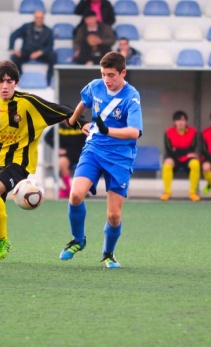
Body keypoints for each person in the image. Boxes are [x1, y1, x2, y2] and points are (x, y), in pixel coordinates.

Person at [0, 60, 75, 264]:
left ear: (16, 83)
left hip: (20, 162)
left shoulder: (27, 102)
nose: (5, 86)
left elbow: (61, 110)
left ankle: (3, 241)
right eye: (0, 81)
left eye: (9, 81)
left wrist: (82, 122)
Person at [59, 51, 143, 268]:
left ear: (123, 73)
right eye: (104, 74)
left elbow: (134, 132)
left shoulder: (131, 97)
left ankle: (108, 253)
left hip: (120, 158)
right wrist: (75, 120)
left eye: (112, 75)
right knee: (75, 195)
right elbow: (84, 101)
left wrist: (107, 131)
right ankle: (78, 240)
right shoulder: (96, 86)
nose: (107, 80)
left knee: (114, 215)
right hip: (94, 150)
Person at [8, 10, 56, 86]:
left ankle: (49, 79)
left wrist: (40, 52)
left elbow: (50, 46)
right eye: (37, 18)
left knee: (53, 56)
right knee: (14, 57)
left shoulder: (48, 31)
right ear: (34, 18)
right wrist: (12, 49)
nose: (39, 20)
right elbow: (13, 35)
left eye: (41, 18)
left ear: (43, 19)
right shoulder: (26, 27)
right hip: (26, 52)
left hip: (41, 54)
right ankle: (19, 76)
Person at [161, 110, 201, 202]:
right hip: (173, 157)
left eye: (183, 120)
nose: (181, 122)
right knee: (167, 164)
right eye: (178, 120)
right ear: (174, 122)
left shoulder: (193, 132)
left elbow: (192, 149)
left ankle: (192, 193)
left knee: (195, 163)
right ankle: (167, 192)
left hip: (187, 159)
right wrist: (184, 152)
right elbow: (169, 150)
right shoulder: (168, 132)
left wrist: (177, 150)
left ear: (186, 121)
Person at [44, 119, 88, 198]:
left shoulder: (80, 125)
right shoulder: (58, 127)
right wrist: (57, 148)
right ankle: (70, 191)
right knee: (61, 163)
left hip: (82, 154)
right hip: (67, 154)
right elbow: (47, 138)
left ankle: (82, 191)